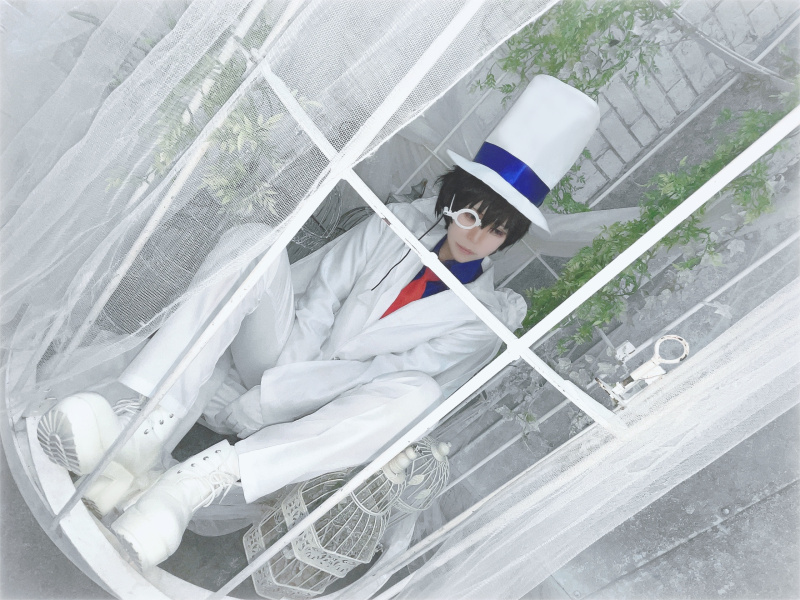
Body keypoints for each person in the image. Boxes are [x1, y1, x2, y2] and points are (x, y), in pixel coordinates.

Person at [36, 75, 600, 569]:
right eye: (473, 215)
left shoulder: (482, 319)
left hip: (324, 413)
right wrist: (278, 372)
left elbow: (376, 377)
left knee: (418, 394)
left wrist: (271, 401)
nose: (477, 236)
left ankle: (193, 485)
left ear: (509, 238)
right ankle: (141, 420)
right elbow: (324, 293)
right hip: (284, 351)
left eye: (497, 230)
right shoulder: (394, 226)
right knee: (255, 244)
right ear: (453, 201)